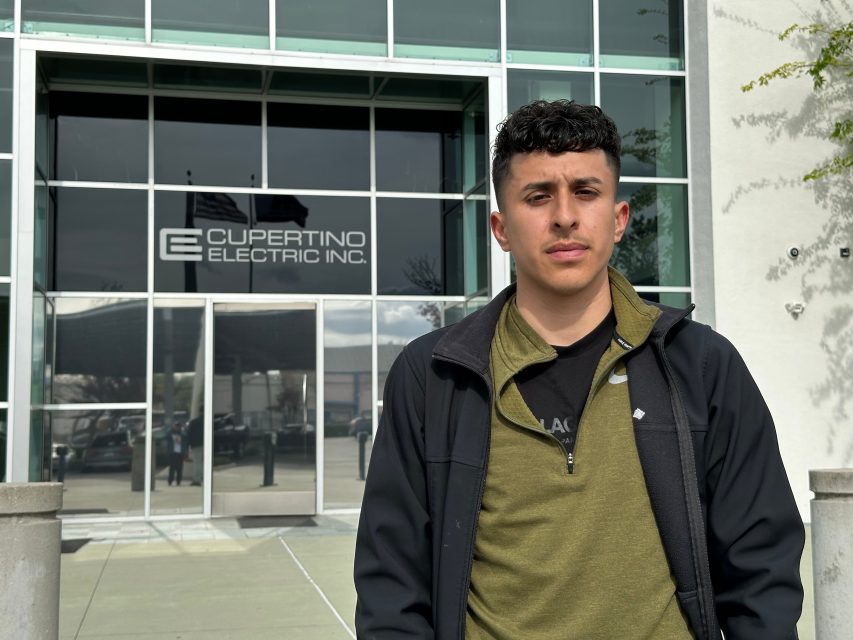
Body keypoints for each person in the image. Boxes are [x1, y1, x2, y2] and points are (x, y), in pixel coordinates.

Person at [353, 100, 805, 639]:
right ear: (501, 227)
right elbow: (392, 585)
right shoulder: (435, 375)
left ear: (618, 220)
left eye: (585, 192)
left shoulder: (700, 364)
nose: (564, 216)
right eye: (538, 196)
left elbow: (762, 570)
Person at [186, 412, 204, 486]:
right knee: (205, 463)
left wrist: (188, 445)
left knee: (197, 463)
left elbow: (189, 434)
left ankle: (197, 480)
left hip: (196, 445)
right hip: (208, 444)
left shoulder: (194, 422)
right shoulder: (209, 421)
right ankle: (204, 477)